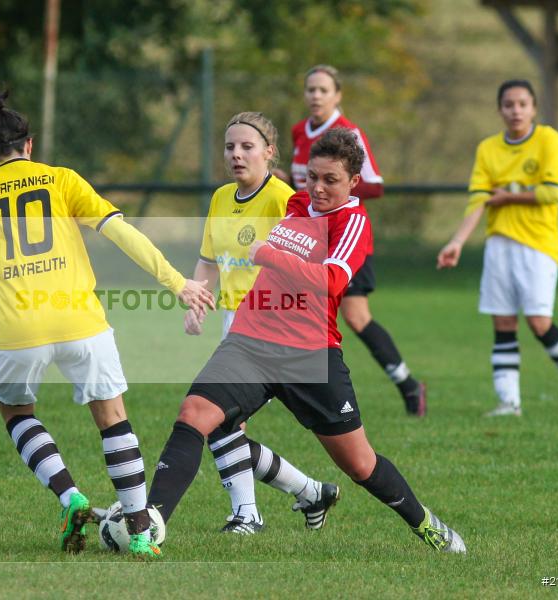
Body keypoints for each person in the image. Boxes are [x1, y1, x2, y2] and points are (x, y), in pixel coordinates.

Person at [0, 90, 216, 558]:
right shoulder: (62, 180)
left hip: (17, 330)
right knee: (112, 417)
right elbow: (121, 231)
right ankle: (140, 530)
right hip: (80, 321)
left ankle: (71, 498)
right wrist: (177, 283)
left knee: (17, 415)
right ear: (29, 146)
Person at [148, 128, 466, 553]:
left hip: (309, 356)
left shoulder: (352, 222)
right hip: (250, 340)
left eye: (330, 180)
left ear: (354, 182)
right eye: (313, 177)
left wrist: (267, 254)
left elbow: (332, 281)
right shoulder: (296, 204)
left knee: (360, 464)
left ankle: (425, 523)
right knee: (195, 414)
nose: (318, 188)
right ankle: (148, 525)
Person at [186, 111, 339, 534]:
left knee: (220, 417)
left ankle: (248, 514)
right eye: (230, 147)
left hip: (275, 326)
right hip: (235, 323)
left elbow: (310, 264)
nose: (237, 154)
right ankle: (309, 491)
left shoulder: (285, 199)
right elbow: (208, 259)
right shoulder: (220, 198)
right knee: (223, 420)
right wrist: (198, 299)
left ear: (270, 153)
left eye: (247, 147)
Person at [437, 79, 558, 417]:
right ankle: (509, 402)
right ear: (500, 110)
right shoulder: (487, 149)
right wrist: (457, 241)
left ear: (534, 108)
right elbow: (478, 199)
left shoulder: (548, 139)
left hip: (538, 243)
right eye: (509, 104)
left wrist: (508, 196)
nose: (516, 110)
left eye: (523, 104)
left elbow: (554, 192)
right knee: (503, 322)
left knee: (538, 321)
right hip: (499, 245)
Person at [284, 64, 426, 416]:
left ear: (338, 95)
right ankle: (282, 387)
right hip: (309, 238)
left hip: (344, 238)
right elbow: (303, 186)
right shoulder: (300, 131)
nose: (315, 96)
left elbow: (374, 185)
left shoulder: (348, 133)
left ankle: (408, 385)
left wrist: (335, 183)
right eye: (310, 89)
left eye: (323, 90)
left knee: (357, 317)